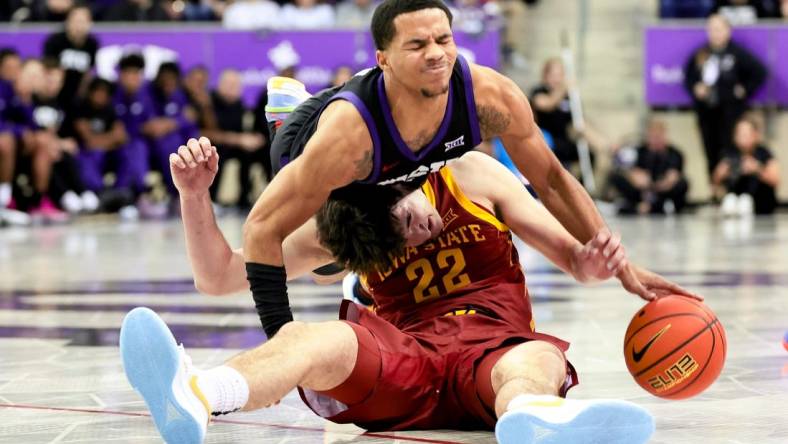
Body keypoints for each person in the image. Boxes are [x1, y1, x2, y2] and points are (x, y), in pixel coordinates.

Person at [120, 141, 655, 444]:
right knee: (315, 338)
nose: (415, 234)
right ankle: (197, 395)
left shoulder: (472, 173)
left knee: (537, 356)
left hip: (494, 347)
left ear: (395, 185)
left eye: (406, 219)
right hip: (410, 360)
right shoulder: (341, 224)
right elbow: (218, 277)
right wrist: (194, 195)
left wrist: (590, 260)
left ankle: (532, 422)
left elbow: (572, 260)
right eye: (396, 239)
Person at [239, 0, 695, 342]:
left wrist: (619, 262)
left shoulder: (489, 97)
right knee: (327, 261)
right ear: (383, 58)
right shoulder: (345, 140)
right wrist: (281, 339)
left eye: (444, 40)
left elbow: (552, 179)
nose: (437, 53)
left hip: (399, 173)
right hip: (332, 165)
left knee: (376, 234)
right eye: (417, 44)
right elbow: (261, 228)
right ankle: (287, 112)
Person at [683, 14, 767, 177]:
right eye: (712, 29)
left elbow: (759, 73)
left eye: (719, 29)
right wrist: (695, 88)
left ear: (728, 31)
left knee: (732, 151)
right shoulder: (701, 54)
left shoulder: (737, 53)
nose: (715, 33)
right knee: (710, 150)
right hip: (707, 112)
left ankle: (732, 189)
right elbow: (689, 77)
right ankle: (715, 191)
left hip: (730, 113)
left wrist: (744, 90)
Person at [610, 118, 689, 215]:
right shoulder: (639, 151)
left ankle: (650, 206)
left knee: (683, 184)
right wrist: (632, 175)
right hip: (642, 190)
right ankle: (649, 206)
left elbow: (674, 176)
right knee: (615, 178)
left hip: (662, 191)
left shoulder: (675, 153)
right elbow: (624, 166)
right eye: (653, 137)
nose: (656, 140)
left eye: (658, 136)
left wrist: (665, 183)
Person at [712, 115, 780, 215]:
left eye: (746, 134)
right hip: (736, 200)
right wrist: (721, 173)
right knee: (730, 202)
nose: (743, 138)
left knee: (746, 202)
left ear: (755, 135)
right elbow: (715, 181)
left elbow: (775, 180)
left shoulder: (763, 153)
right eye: (740, 134)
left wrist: (757, 169)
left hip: (761, 204)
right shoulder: (729, 154)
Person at [42, 4, 99, 111]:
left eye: (83, 21)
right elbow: (48, 69)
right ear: (68, 21)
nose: (79, 26)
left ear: (89, 23)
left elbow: (88, 72)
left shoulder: (92, 44)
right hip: (56, 94)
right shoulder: (55, 41)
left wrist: (82, 95)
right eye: (76, 20)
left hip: (76, 95)